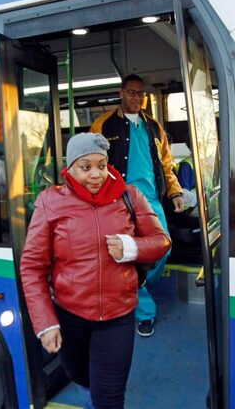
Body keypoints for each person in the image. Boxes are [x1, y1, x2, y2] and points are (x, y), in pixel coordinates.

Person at [20, 133, 170, 409]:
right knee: (80, 376)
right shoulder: (50, 201)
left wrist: (132, 248)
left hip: (118, 315)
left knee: (109, 399)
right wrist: (45, 323)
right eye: (85, 167)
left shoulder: (130, 195)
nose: (96, 175)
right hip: (70, 316)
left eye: (101, 166)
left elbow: (162, 241)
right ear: (70, 168)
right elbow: (32, 267)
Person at [90, 74, 185, 337]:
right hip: (118, 201)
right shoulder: (103, 125)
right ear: (121, 93)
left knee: (162, 248)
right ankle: (145, 311)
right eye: (131, 93)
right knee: (125, 256)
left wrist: (175, 192)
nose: (136, 98)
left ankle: (133, 286)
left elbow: (166, 165)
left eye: (140, 94)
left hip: (152, 199)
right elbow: (93, 163)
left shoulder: (154, 128)